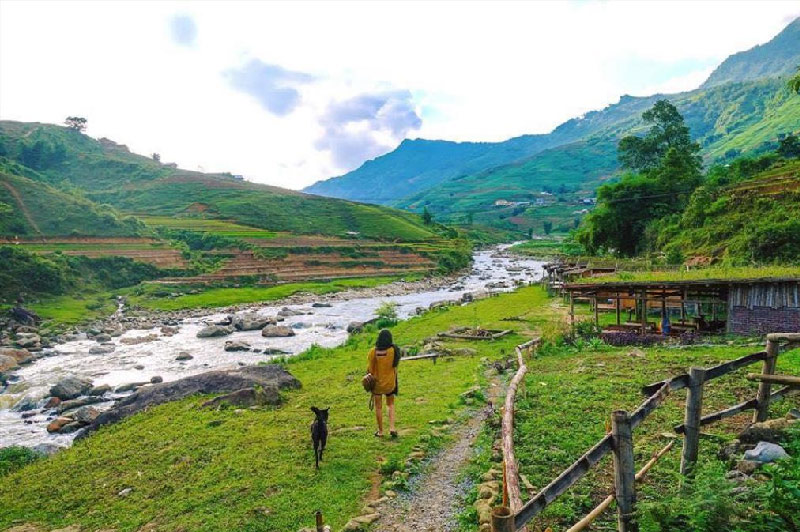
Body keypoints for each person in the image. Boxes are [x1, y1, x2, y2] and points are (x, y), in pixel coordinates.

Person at [367, 329, 400, 438]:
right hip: (390, 383)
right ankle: (392, 428)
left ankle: (381, 431)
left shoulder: (373, 352)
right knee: (390, 404)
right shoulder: (393, 350)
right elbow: (395, 365)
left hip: (377, 386)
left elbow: (370, 370)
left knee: (378, 407)